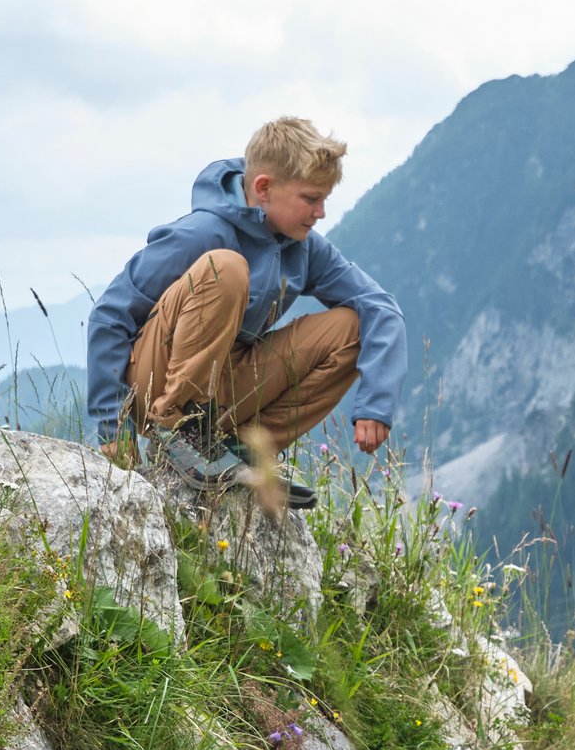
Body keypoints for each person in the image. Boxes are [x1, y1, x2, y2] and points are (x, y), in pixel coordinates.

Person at [83, 117, 407, 507]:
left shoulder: (303, 247)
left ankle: (242, 448)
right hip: (156, 380)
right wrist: (110, 427)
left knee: (351, 327)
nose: (321, 211)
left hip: (222, 389)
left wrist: (376, 404)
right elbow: (109, 316)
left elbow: (379, 306)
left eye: (324, 199)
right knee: (227, 268)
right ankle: (177, 430)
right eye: (310, 198)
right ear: (264, 187)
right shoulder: (203, 232)